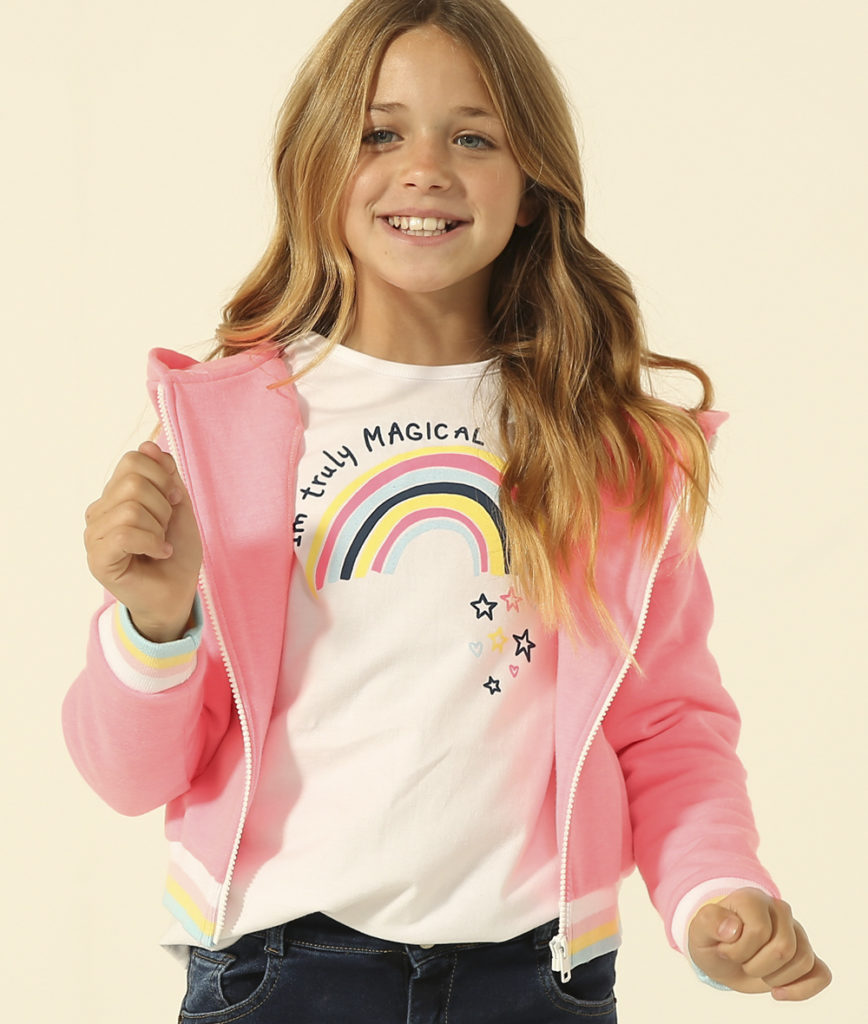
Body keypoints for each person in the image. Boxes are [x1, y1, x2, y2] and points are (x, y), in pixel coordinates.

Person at [63, 1, 831, 1020]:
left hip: (537, 980)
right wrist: (154, 624)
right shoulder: (218, 430)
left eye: (473, 138)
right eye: (380, 133)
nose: (424, 168)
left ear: (531, 189)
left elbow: (664, 726)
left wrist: (713, 890)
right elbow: (128, 778)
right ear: (314, 165)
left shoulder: (608, 450)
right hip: (277, 976)